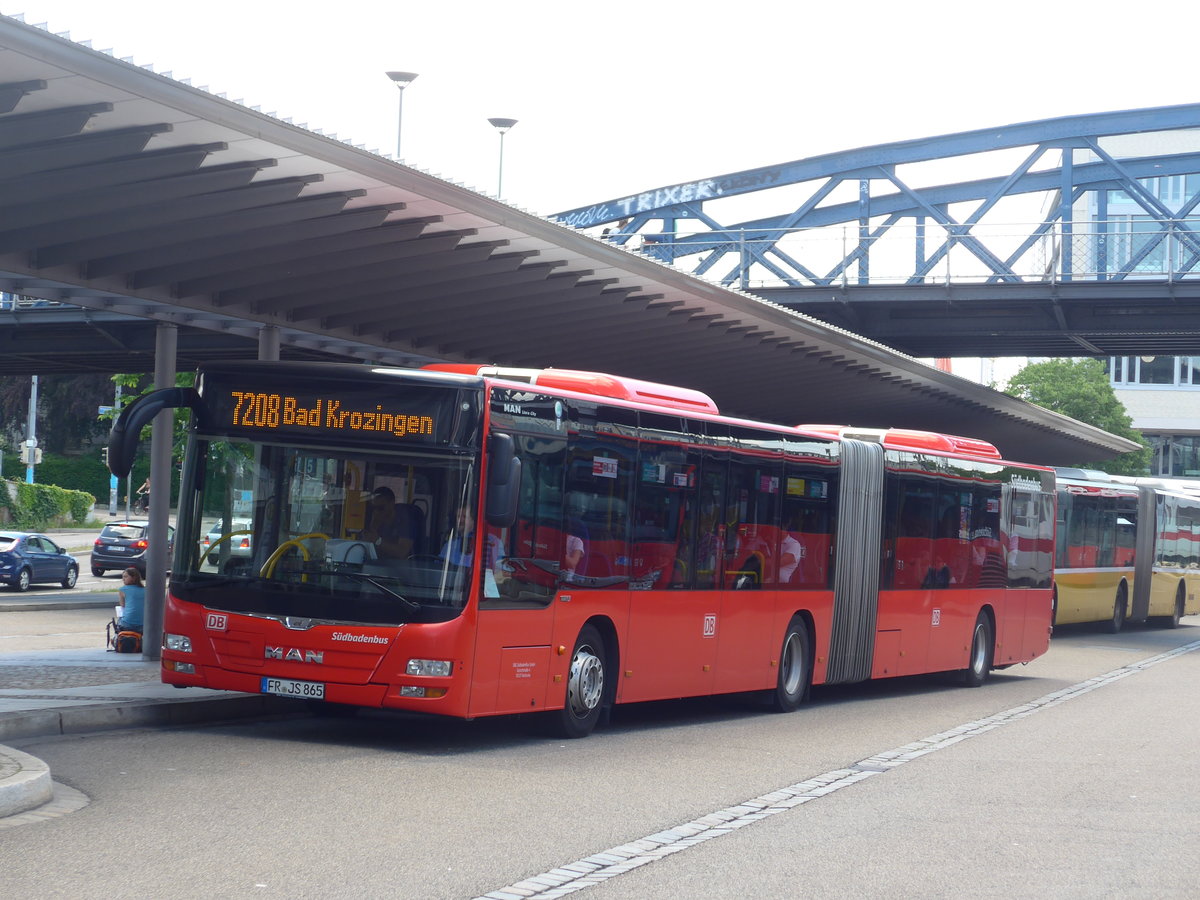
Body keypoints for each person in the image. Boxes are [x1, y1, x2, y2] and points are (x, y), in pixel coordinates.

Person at [360, 486, 412, 559]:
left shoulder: (404, 519)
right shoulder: (374, 518)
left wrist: (378, 541)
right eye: (374, 508)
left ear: (392, 503)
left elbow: (402, 552)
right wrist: (372, 527)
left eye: (380, 508)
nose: (376, 512)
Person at [116, 567, 145, 632]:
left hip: (128, 623)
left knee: (120, 620)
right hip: (144, 623)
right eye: (123, 577)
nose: (123, 579)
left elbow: (123, 605)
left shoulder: (123, 590)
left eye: (125, 577)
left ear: (133, 577)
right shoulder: (145, 590)